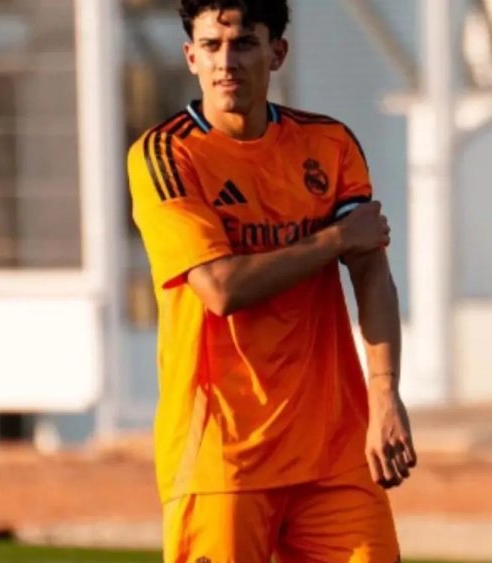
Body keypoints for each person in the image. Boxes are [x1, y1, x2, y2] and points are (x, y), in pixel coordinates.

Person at [126, 1, 417, 561]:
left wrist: (385, 394)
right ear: (191, 57)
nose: (226, 62)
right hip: (220, 454)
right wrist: (333, 240)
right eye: (211, 46)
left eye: (245, 44)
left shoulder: (328, 145)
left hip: (333, 452)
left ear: (277, 53)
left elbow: (372, 273)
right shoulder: (165, 155)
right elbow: (220, 289)